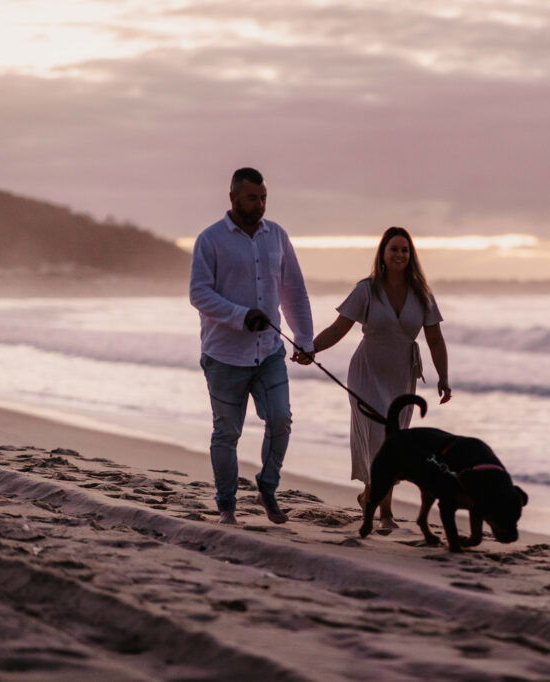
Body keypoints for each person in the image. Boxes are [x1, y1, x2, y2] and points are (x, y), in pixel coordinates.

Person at [189, 167, 315, 526]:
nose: (259, 205)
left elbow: (294, 291)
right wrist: (240, 315)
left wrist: (304, 339)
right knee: (227, 433)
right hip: (224, 356)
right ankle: (226, 504)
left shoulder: (276, 236)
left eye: (263, 198)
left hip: (269, 351)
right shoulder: (209, 239)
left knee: (280, 419)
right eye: (251, 198)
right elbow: (198, 293)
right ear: (232, 198)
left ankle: (267, 485)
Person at [312, 226, 452, 528]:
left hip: (402, 376)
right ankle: (386, 514)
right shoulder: (366, 289)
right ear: (383, 254)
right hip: (367, 373)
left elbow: (436, 340)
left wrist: (443, 377)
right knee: (379, 441)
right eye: (394, 249)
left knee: (394, 445)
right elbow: (338, 328)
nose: (400, 254)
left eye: (405, 250)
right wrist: (311, 348)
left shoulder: (422, 295)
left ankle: (369, 498)